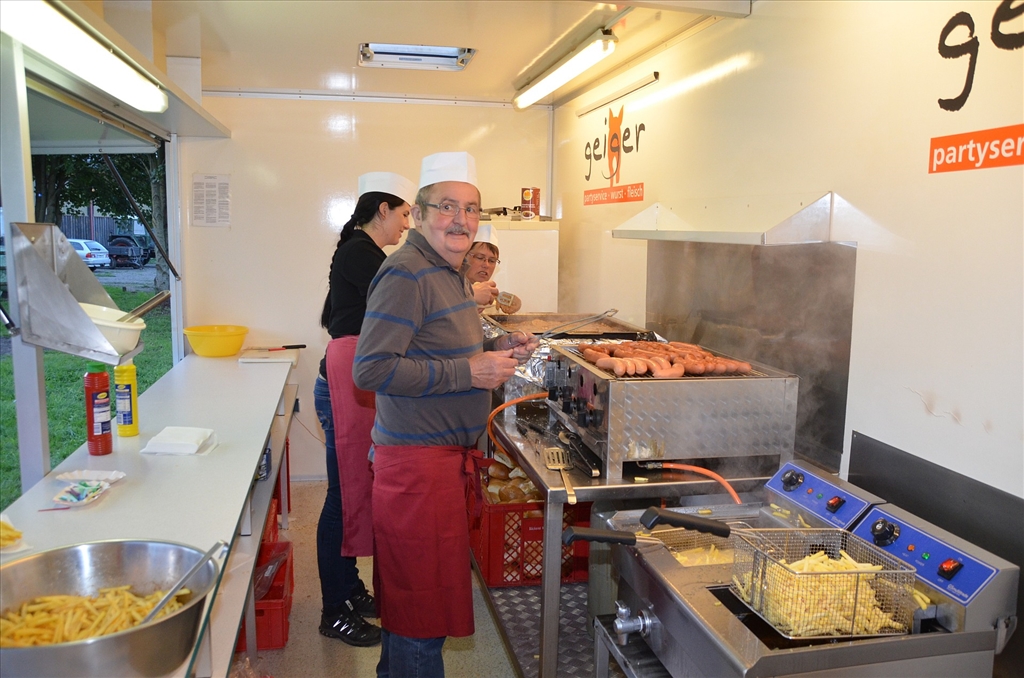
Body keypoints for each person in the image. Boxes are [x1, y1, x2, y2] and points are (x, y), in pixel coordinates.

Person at [353, 151, 540, 677]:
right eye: (447, 207)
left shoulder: (449, 271)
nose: (461, 220)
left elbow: (438, 344)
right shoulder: (406, 273)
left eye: (471, 209)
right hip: (416, 466)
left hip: (438, 461)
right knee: (421, 613)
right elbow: (371, 370)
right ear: (418, 212)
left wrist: (495, 346)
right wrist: (468, 372)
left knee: (415, 601)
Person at [315, 171, 416, 647]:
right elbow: (405, 302)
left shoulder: (366, 252)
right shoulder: (361, 252)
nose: (407, 225)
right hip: (344, 384)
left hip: (354, 378)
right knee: (344, 496)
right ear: (383, 210)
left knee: (356, 491)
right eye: (404, 214)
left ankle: (349, 588)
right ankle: (333, 610)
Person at [462, 240, 500, 310]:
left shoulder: (493, 306)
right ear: (464, 258)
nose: (486, 265)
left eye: (492, 261)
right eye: (480, 258)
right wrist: (471, 294)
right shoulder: (448, 290)